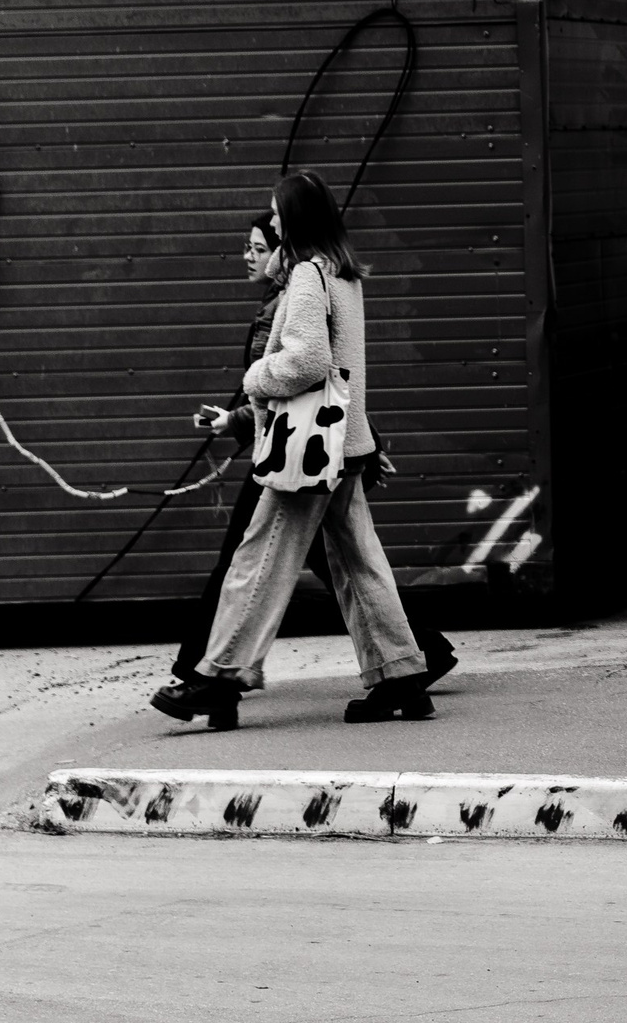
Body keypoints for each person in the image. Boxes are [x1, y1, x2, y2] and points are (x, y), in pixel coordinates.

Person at [151, 172, 442, 728]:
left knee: (257, 560)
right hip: (344, 445)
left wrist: (256, 375)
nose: (274, 223)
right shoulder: (344, 273)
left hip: (305, 453)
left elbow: (307, 361)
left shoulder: (307, 276)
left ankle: (219, 678)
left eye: (277, 214)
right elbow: (344, 368)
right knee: (360, 567)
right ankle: (403, 677)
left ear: (298, 219)